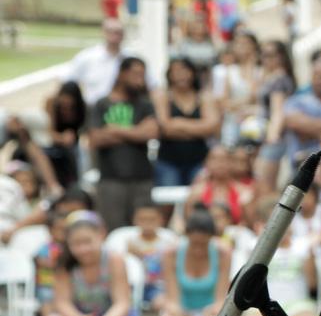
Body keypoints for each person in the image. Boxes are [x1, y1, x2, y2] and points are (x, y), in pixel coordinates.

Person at [89, 57, 158, 231]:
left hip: (142, 178)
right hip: (111, 179)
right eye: (135, 74)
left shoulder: (145, 105)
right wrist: (135, 132)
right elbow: (95, 139)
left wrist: (113, 130)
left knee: (143, 230)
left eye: (143, 75)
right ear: (122, 73)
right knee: (113, 230)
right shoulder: (101, 104)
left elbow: (150, 133)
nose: (139, 80)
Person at [154, 57, 220, 187]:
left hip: (199, 160)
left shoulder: (204, 97)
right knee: (168, 201)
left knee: (199, 201)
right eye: (176, 71)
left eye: (185, 70)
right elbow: (165, 128)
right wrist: (199, 127)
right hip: (168, 161)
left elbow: (212, 127)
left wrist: (177, 123)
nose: (181, 75)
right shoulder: (163, 96)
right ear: (169, 75)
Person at [61, 18, 129, 106]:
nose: (114, 36)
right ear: (103, 32)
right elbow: (67, 80)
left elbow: (151, 85)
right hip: (92, 109)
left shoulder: (131, 60)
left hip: (123, 111)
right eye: (110, 32)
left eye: (118, 32)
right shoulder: (86, 57)